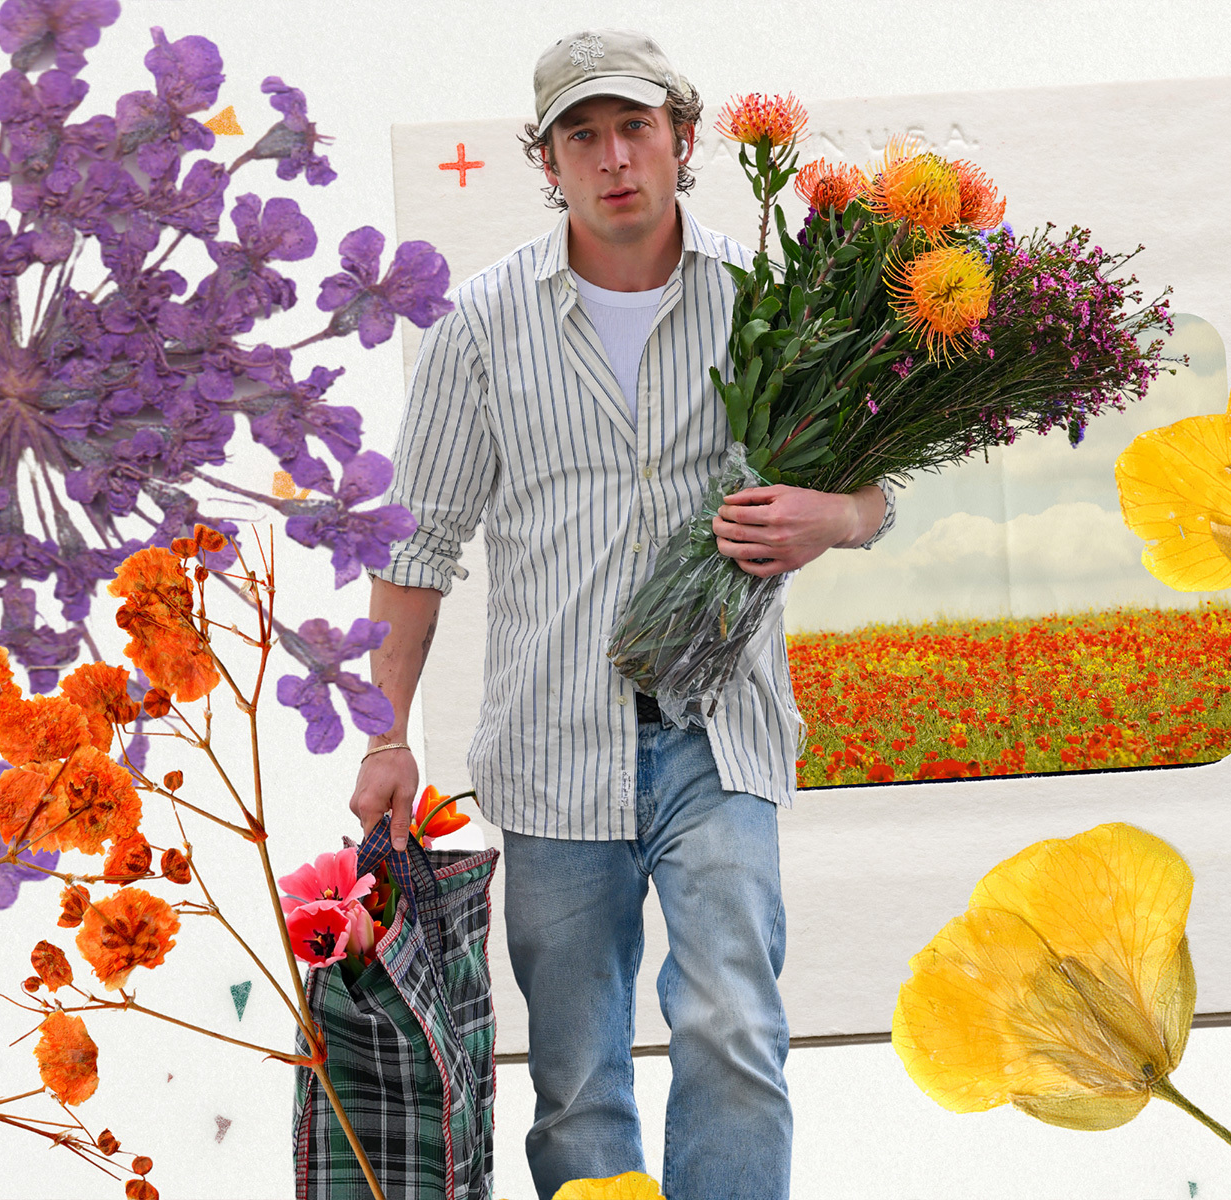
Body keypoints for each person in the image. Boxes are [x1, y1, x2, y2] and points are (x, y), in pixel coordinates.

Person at [352, 29, 894, 1200]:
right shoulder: (483, 327)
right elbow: (418, 543)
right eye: (579, 136)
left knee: (732, 1026)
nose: (611, 159)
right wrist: (387, 733)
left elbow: (875, 484)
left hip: (722, 733)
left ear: (684, 140)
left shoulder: (772, 305)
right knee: (578, 1081)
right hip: (551, 753)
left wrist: (831, 521)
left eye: (633, 128)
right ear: (546, 161)